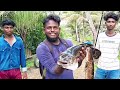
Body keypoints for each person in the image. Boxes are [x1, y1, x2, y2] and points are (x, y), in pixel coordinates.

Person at [36, 14, 87, 79]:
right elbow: (54, 70)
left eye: (55, 27)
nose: (52, 30)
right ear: (44, 30)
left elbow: (74, 66)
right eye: (49, 28)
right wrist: (64, 61)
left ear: (59, 29)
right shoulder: (42, 48)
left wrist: (80, 60)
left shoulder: (68, 43)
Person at [94, 12, 120, 79]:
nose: (110, 24)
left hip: (115, 69)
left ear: (116, 23)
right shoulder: (100, 36)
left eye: (113, 22)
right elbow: (96, 52)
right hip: (100, 68)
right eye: (108, 22)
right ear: (105, 23)